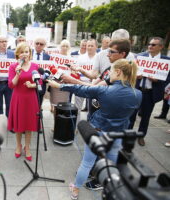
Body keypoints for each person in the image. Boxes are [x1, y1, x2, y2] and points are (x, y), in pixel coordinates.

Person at [48, 59, 142, 199]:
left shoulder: (105, 90)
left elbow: (81, 89)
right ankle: (109, 186)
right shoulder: (138, 94)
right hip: (118, 134)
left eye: (110, 71)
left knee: (87, 162)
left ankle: (75, 189)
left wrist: (60, 86)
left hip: (98, 130)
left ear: (118, 72)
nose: (108, 74)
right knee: (112, 162)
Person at [129, 37, 170, 146]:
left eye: (153, 45)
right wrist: (136, 76)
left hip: (150, 93)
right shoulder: (140, 57)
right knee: (131, 113)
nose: (150, 46)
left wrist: (158, 80)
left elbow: (167, 78)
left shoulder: (166, 61)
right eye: (149, 44)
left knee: (146, 116)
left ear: (160, 47)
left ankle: (141, 136)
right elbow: (130, 71)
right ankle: (127, 134)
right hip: (137, 90)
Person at [8, 42, 41, 162]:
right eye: (22, 52)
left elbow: (39, 83)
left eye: (26, 51)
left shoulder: (35, 66)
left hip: (31, 99)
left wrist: (32, 85)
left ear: (30, 53)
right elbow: (11, 85)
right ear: (17, 54)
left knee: (29, 125)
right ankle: (18, 145)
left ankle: (27, 147)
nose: (24, 54)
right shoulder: (13, 67)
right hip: (18, 99)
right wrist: (17, 74)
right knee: (18, 125)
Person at [49, 40, 70, 114]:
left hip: (65, 83)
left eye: (66, 46)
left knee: (63, 105)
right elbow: (50, 68)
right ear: (60, 47)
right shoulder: (55, 57)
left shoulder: (71, 58)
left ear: (69, 48)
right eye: (63, 46)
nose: (64, 47)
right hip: (55, 83)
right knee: (55, 105)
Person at [32, 37, 50, 105]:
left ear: (44, 46)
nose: (39, 45)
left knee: (39, 103)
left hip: (42, 83)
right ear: (34, 44)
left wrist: (46, 75)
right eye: (37, 43)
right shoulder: (29, 53)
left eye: (41, 44)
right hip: (30, 82)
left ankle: (38, 114)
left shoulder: (47, 56)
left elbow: (48, 69)